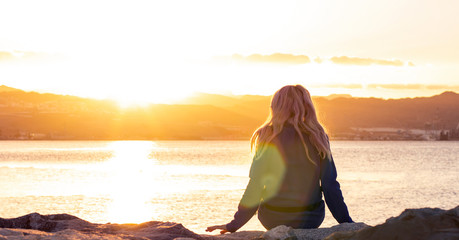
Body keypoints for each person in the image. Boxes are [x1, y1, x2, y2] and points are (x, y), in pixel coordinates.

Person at [206, 85, 353, 234]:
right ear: (307, 106)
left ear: (276, 106)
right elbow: (330, 185)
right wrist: (348, 223)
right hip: (310, 218)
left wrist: (234, 225)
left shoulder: (267, 135)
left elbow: (256, 185)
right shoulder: (318, 136)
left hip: (272, 218)